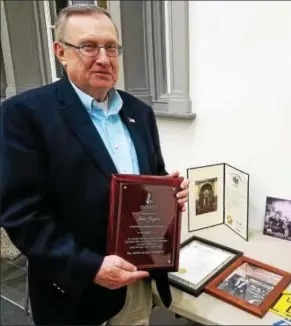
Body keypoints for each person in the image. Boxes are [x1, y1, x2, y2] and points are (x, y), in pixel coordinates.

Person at [0, 4, 189, 326]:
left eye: (111, 47)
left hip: (135, 281)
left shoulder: (139, 112)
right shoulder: (23, 114)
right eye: (88, 46)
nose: (103, 58)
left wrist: (169, 193)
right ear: (61, 52)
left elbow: (150, 177)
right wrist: (90, 267)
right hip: (75, 292)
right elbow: (21, 213)